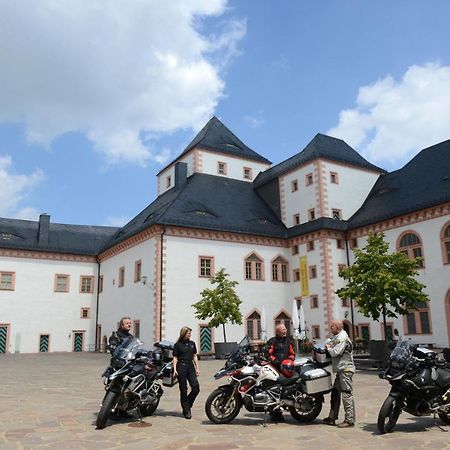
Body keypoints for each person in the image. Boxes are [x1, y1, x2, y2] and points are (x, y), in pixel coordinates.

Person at [323, 320, 356, 428]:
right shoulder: (338, 336)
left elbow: (336, 352)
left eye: (332, 327)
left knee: (346, 394)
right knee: (335, 392)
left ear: (337, 327)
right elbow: (331, 341)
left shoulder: (342, 338)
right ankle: (332, 417)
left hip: (345, 370)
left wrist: (328, 348)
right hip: (341, 370)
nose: (330, 329)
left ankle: (349, 420)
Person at [265, 324, 295, 421]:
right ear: (277, 331)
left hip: (286, 368)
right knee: (272, 388)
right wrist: (276, 361)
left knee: (283, 387)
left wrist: (288, 361)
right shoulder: (272, 341)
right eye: (283, 329)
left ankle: (281, 408)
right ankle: (274, 412)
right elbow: (267, 353)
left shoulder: (289, 341)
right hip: (275, 367)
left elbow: (293, 353)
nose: (285, 331)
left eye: (285, 329)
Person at [173, 326, 200, 419]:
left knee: (196, 387)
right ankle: (186, 410)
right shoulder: (177, 345)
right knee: (183, 390)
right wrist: (175, 369)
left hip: (191, 367)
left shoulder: (192, 343)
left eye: (190, 333)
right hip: (181, 367)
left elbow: (194, 356)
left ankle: (188, 403)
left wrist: (197, 368)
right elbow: (175, 358)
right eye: (188, 333)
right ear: (184, 333)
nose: (190, 335)